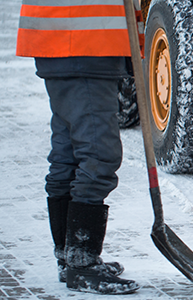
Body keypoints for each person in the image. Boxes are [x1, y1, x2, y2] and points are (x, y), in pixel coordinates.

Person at [16, 0, 139, 295]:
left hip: (64, 41)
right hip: (84, 44)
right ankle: (82, 264)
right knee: (99, 156)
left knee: (68, 153)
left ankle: (69, 255)